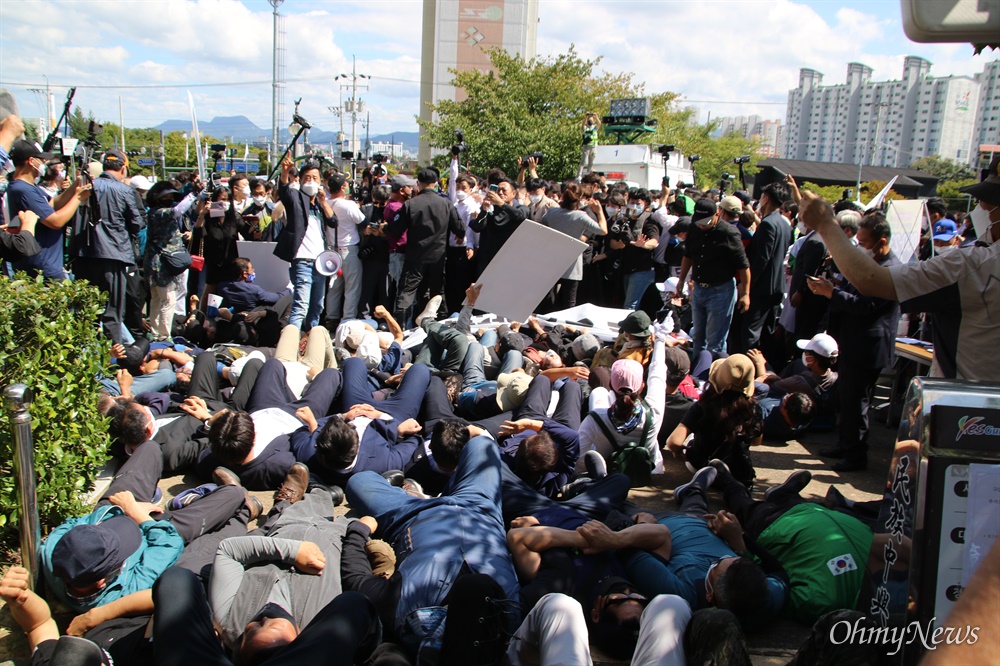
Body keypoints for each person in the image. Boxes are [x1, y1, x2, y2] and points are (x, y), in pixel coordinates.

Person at [797, 155, 1000, 383]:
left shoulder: (977, 264)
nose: (982, 207)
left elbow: (871, 280)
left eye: (991, 203)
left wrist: (825, 223)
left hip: (971, 404)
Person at [345, 436, 521, 658]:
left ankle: (416, 495)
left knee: (359, 481)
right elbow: (550, 576)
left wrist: (359, 530)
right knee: (482, 444)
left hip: (411, 515)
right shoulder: (511, 618)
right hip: (479, 509)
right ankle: (434, 491)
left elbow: (355, 578)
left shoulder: (400, 610)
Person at [805, 213, 901, 472]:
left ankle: (856, 454)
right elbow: (853, 292)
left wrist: (832, 292)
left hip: (868, 346)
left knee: (858, 401)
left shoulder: (890, 269)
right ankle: (846, 444)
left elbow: (867, 305)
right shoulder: (870, 264)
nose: (862, 248)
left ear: (881, 242)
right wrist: (832, 286)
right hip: (853, 341)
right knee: (847, 398)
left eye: (865, 242)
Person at [386, 167, 464, 326]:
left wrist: (384, 228)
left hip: (415, 256)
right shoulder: (446, 204)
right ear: (436, 183)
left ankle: (400, 327)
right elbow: (460, 229)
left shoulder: (410, 204)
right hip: (438, 256)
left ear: (418, 184)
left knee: (406, 292)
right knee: (437, 292)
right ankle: (442, 325)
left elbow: (395, 230)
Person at [674, 198, 751, 356]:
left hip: (721, 291)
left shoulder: (728, 233)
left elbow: (743, 266)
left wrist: (745, 294)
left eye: (706, 221)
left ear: (718, 214)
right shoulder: (694, 229)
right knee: (698, 336)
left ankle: (713, 374)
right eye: (699, 221)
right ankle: (698, 372)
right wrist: (681, 280)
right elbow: (688, 256)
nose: (702, 225)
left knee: (715, 340)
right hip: (700, 288)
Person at [6, 140, 91, 280]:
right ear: (31, 161)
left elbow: (52, 204)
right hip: (42, 267)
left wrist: (76, 186)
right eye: (42, 160)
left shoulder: (28, 187)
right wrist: (78, 198)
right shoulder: (24, 190)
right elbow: (55, 221)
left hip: (45, 264)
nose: (44, 164)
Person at [273, 156, 336, 331]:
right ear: (300, 181)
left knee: (317, 307)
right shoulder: (296, 198)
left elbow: (333, 222)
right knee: (301, 305)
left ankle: (310, 340)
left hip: (321, 263)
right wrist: (285, 172)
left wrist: (323, 202)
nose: (311, 181)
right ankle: (291, 342)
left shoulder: (320, 204)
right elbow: (284, 190)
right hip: (302, 261)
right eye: (307, 178)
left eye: (315, 178)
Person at [741, 182, 792, 354]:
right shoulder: (785, 223)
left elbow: (761, 258)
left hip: (762, 287)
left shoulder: (768, 224)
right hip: (777, 285)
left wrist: (747, 285)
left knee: (751, 331)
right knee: (768, 330)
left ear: (766, 198)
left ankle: (747, 368)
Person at [541, 181, 607, 310]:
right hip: (572, 262)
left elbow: (543, 223)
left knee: (548, 300)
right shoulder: (581, 216)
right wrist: (599, 212)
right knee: (569, 302)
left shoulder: (552, 212)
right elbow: (603, 230)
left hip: (552, 260)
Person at [144, 182, 197, 341]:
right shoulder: (158, 213)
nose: (169, 199)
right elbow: (178, 210)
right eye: (165, 197)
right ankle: (165, 334)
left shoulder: (154, 213)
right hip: (160, 264)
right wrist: (194, 194)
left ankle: (155, 332)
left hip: (156, 261)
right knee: (168, 299)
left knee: (157, 299)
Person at [325, 171, 366, 323]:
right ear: (343, 187)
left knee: (334, 287)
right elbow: (363, 221)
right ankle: (347, 319)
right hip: (348, 249)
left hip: (331, 250)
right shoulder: (348, 205)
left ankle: (331, 318)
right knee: (352, 288)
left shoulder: (325, 203)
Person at [470, 177, 527, 278]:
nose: (500, 193)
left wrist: (502, 204)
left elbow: (520, 216)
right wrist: (484, 210)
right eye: (498, 190)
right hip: (488, 260)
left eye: (504, 190)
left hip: (509, 260)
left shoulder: (520, 208)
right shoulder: (491, 209)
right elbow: (478, 227)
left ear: (513, 194)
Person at [579, 112, 601, 179]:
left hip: (593, 146)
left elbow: (599, 123)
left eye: (591, 120)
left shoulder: (594, 128)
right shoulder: (585, 128)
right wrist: (586, 117)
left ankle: (588, 175)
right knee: (583, 161)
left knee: (591, 162)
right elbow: (582, 125)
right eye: (589, 120)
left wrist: (596, 116)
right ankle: (579, 175)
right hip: (587, 146)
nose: (590, 121)